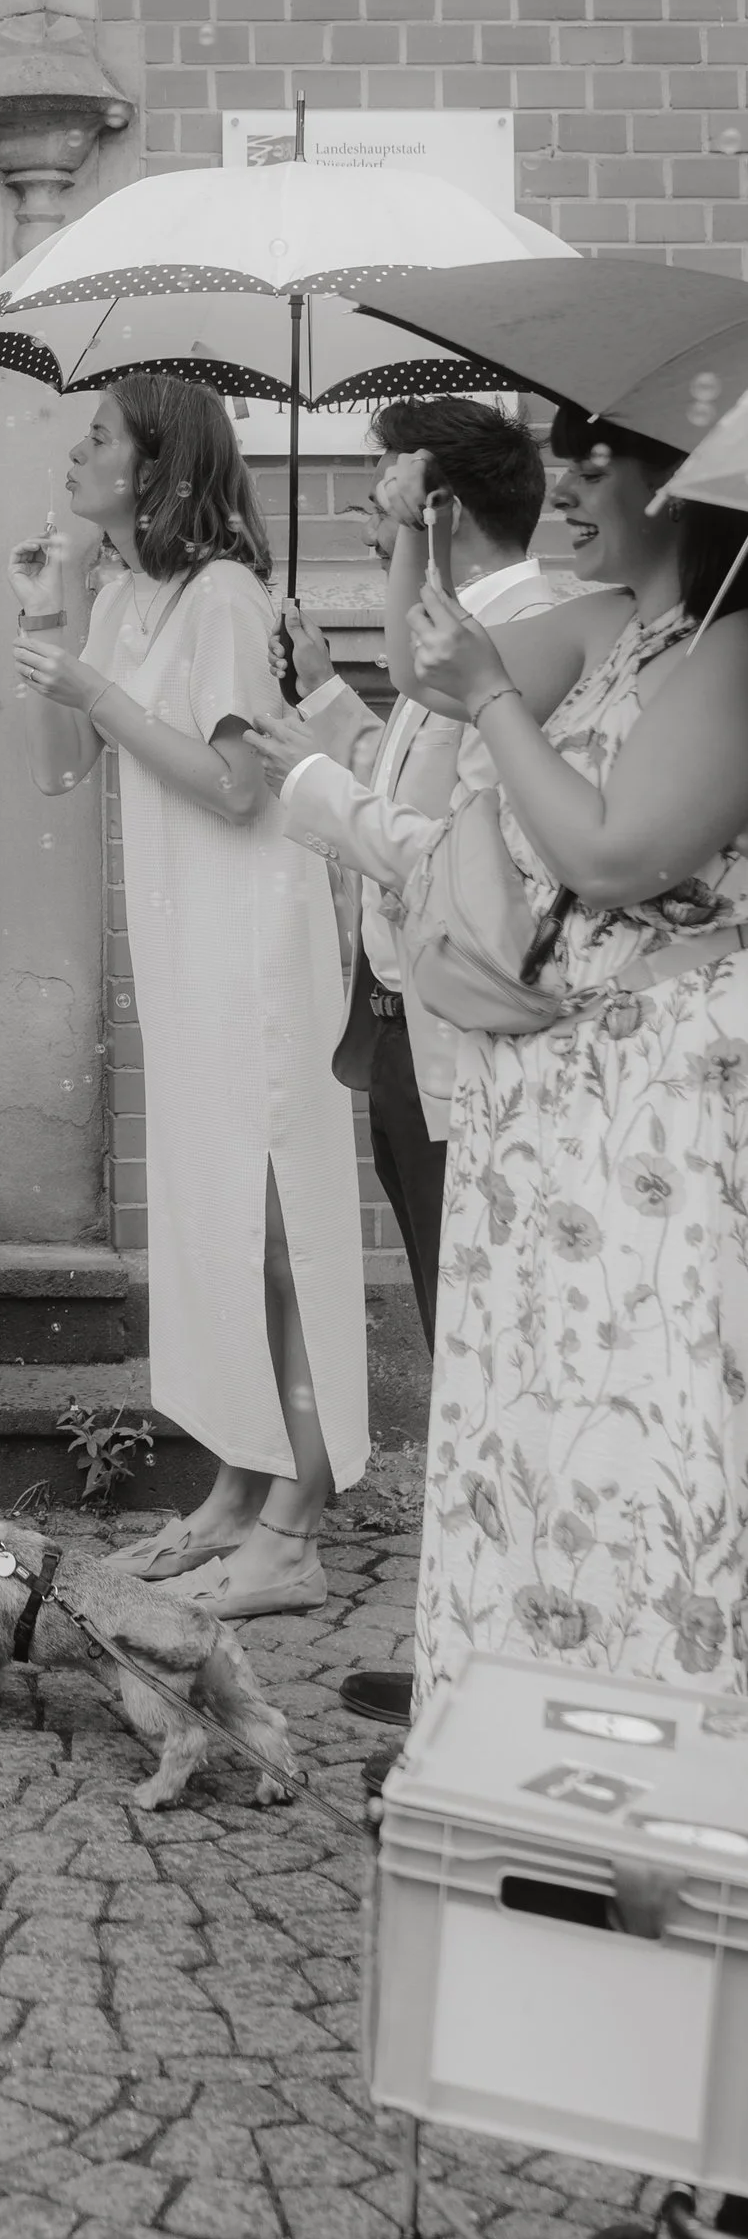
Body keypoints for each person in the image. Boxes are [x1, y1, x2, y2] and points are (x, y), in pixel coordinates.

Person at [253, 397, 609, 1731]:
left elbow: (446, 852)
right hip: (407, 1028)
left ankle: (484, 1641)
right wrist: (327, 699)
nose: (370, 512)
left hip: (457, 1041)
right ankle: (461, 1623)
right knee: (454, 1329)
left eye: (387, 492)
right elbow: (407, 748)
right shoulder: (463, 636)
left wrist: (311, 788)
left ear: (442, 504)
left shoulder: (520, 638)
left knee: (476, 1336)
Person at [405, 407, 748, 1705]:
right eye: (561, 460)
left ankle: (645, 1715)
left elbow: (611, 854)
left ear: (686, 482)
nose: (565, 486)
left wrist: (494, 699)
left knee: (642, 1404)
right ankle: (517, 1711)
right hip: (546, 1090)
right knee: (537, 1409)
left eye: (597, 463)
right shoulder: (614, 625)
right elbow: (436, 671)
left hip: (661, 1094)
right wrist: (416, 540)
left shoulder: (732, 648)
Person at [14, 374, 367, 1619]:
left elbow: (234, 787)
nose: (77, 453)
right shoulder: (125, 593)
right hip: (179, 939)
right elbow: (61, 768)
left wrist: (97, 694)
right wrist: (50, 617)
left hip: (250, 935)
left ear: (157, 467)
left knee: (277, 1226)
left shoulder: (223, 595)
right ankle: (233, 1491)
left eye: (99, 437)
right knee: (217, 1220)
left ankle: (295, 1525)